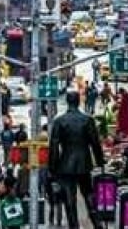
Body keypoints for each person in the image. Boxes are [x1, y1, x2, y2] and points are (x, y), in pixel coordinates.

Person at [48, 90, 105, 229]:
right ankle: (97, 224)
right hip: (84, 163)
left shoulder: (59, 121)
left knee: (69, 200)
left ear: (67, 101)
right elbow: (95, 143)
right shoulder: (87, 120)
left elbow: (54, 147)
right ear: (78, 101)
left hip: (66, 164)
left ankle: (74, 226)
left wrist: (52, 168)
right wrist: (100, 162)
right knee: (89, 195)